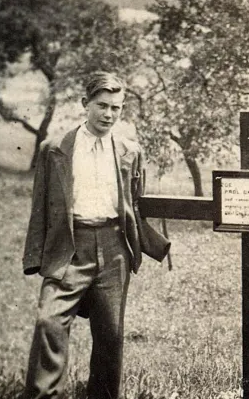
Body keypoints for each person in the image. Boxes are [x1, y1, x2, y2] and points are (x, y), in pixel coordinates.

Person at [22, 71, 169, 399]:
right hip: (69, 248)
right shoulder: (56, 148)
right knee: (49, 321)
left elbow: (135, 203)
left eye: (116, 108)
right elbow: (40, 208)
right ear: (84, 104)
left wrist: (139, 246)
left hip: (113, 247)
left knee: (111, 335)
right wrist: (35, 258)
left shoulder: (130, 150)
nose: (108, 115)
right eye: (102, 106)